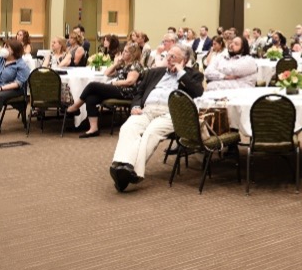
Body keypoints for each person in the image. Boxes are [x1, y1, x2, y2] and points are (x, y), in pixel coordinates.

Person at [108, 45, 204, 191]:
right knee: (128, 127)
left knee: (150, 133)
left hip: (171, 113)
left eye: (174, 57)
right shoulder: (154, 72)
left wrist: (180, 72)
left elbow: (198, 92)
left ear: (183, 60)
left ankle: (130, 171)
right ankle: (122, 166)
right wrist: (135, 106)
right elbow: (138, 93)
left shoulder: (192, 75)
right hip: (146, 111)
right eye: (168, 56)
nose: (169, 59)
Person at [66, 41, 143, 138]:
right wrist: (116, 64)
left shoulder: (135, 65)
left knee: (92, 85)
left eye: (126, 52)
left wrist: (114, 83)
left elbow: (130, 82)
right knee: (91, 97)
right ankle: (93, 129)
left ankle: (75, 106)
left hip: (126, 92)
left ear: (133, 54)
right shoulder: (125, 65)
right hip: (118, 89)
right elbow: (106, 73)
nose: (123, 53)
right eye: (123, 51)